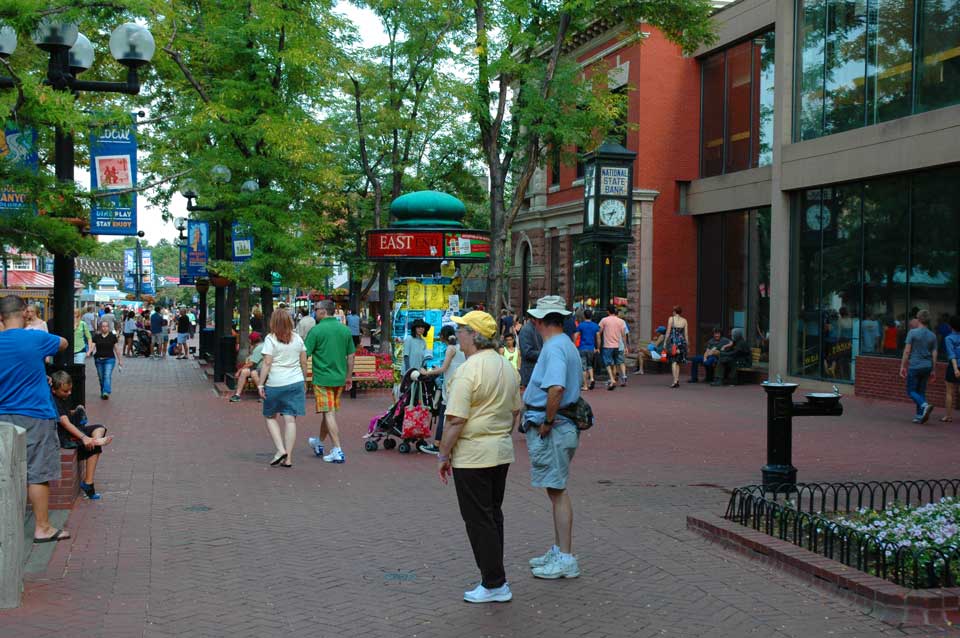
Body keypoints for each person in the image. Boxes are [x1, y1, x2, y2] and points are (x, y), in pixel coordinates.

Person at [438, 310, 521, 603]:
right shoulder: (505, 366)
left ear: (474, 335)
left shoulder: (468, 370)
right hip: (499, 451)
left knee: (478, 519)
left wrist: (442, 454)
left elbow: (455, 419)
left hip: (473, 455)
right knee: (492, 514)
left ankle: (494, 582)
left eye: (461, 330)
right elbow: (515, 410)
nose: (457, 334)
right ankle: (496, 577)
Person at [0, 295, 71, 542]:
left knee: (5, 472)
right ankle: (42, 527)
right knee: (37, 472)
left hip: (3, 416)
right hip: (35, 415)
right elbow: (63, 343)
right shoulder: (35, 338)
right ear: (24, 313)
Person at [521, 296, 582, 579]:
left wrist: (546, 421)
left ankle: (565, 557)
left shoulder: (555, 348)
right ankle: (560, 551)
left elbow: (555, 388)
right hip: (560, 426)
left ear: (540, 321)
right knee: (555, 489)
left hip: (555, 427)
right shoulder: (563, 344)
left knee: (557, 491)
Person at [303, 299, 355, 464]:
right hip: (339, 378)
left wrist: (303, 377)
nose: (315, 311)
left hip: (322, 378)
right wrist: (348, 376)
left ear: (323, 311)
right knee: (329, 412)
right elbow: (351, 356)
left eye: (316, 309)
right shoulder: (344, 330)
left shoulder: (316, 331)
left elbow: (304, 355)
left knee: (329, 413)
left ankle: (337, 449)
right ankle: (319, 442)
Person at [51, 371, 113, 500]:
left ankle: (95, 440)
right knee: (94, 447)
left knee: (100, 428)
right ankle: (88, 484)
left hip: (71, 431)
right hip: (64, 437)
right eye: (65, 391)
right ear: (53, 390)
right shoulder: (54, 402)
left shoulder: (62, 397)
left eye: (70, 390)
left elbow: (68, 415)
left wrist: (78, 410)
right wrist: (84, 438)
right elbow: (66, 423)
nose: (69, 393)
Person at [258, 310, 308, 468]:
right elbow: (304, 362)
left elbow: (267, 363)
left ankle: (280, 450)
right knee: (290, 419)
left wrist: (260, 383)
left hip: (276, 383)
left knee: (270, 416)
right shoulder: (298, 338)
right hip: (296, 382)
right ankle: (289, 458)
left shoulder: (270, 339)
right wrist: (305, 380)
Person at [418, 325, 466, 455]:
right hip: (460, 385)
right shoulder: (461, 348)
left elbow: (444, 368)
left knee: (443, 415)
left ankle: (437, 444)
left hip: (450, 387)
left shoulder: (450, 348)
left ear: (443, 336)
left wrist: (427, 372)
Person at [901, 309, 938, 424]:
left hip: (915, 366)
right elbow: (934, 354)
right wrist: (933, 369)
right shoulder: (933, 335)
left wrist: (903, 366)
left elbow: (907, 352)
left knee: (911, 391)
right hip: (927, 366)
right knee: (920, 391)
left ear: (918, 319)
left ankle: (924, 405)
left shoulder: (912, 333)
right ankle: (919, 415)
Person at [598, 305, 627, 391]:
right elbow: (624, 335)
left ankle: (612, 379)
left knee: (607, 364)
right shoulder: (621, 321)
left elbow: (599, 332)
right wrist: (625, 346)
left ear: (608, 311)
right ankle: (617, 378)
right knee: (615, 363)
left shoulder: (604, 320)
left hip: (608, 345)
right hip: (617, 346)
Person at [91, 319, 122, 399]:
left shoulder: (112, 337)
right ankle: (103, 391)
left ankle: (106, 392)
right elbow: (93, 346)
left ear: (108, 327)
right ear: (100, 328)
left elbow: (116, 349)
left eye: (106, 326)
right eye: (103, 326)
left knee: (107, 375)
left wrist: (120, 360)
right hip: (98, 359)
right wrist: (88, 352)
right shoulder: (96, 336)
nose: (104, 328)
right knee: (101, 377)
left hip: (110, 359)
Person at [230, 332, 265, 402]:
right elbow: (249, 359)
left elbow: (250, 363)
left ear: (252, 340)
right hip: (259, 368)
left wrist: (238, 371)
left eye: (250, 339)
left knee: (253, 373)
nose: (249, 341)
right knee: (244, 372)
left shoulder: (259, 348)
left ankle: (263, 395)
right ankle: (237, 395)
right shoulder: (259, 346)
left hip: (264, 369)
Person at [575, 309, 600, 390]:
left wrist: (573, 345)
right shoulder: (595, 326)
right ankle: (592, 378)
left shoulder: (581, 325)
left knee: (583, 367)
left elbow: (576, 335)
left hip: (582, 347)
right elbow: (598, 338)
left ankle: (585, 385)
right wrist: (597, 348)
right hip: (591, 348)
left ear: (584, 316)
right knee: (590, 365)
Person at [664, 305, 689, 388]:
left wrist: (665, 342)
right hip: (681, 342)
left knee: (673, 361)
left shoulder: (671, 319)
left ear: (674, 311)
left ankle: (675, 381)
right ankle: (677, 379)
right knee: (678, 362)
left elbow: (668, 331)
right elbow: (686, 334)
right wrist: (687, 345)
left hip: (673, 342)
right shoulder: (684, 320)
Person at [518, 313, 542, 389]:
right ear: (533, 319)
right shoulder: (526, 330)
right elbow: (527, 352)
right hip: (530, 372)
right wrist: (544, 353)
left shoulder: (537, 328)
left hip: (537, 371)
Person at [943, 316, 960, 423]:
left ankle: (948, 416)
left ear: (951, 326)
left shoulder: (948, 338)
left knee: (949, 392)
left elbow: (951, 354)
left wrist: (955, 369)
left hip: (954, 366)